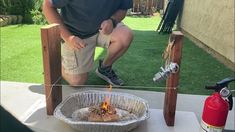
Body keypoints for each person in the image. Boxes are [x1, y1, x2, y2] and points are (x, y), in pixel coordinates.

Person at [43, 0, 133, 86]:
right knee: (77, 82)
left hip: (103, 29)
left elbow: (123, 8)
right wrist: (68, 38)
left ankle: (104, 68)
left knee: (125, 35)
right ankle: (57, 63)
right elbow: (47, 5)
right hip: (76, 35)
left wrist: (112, 21)